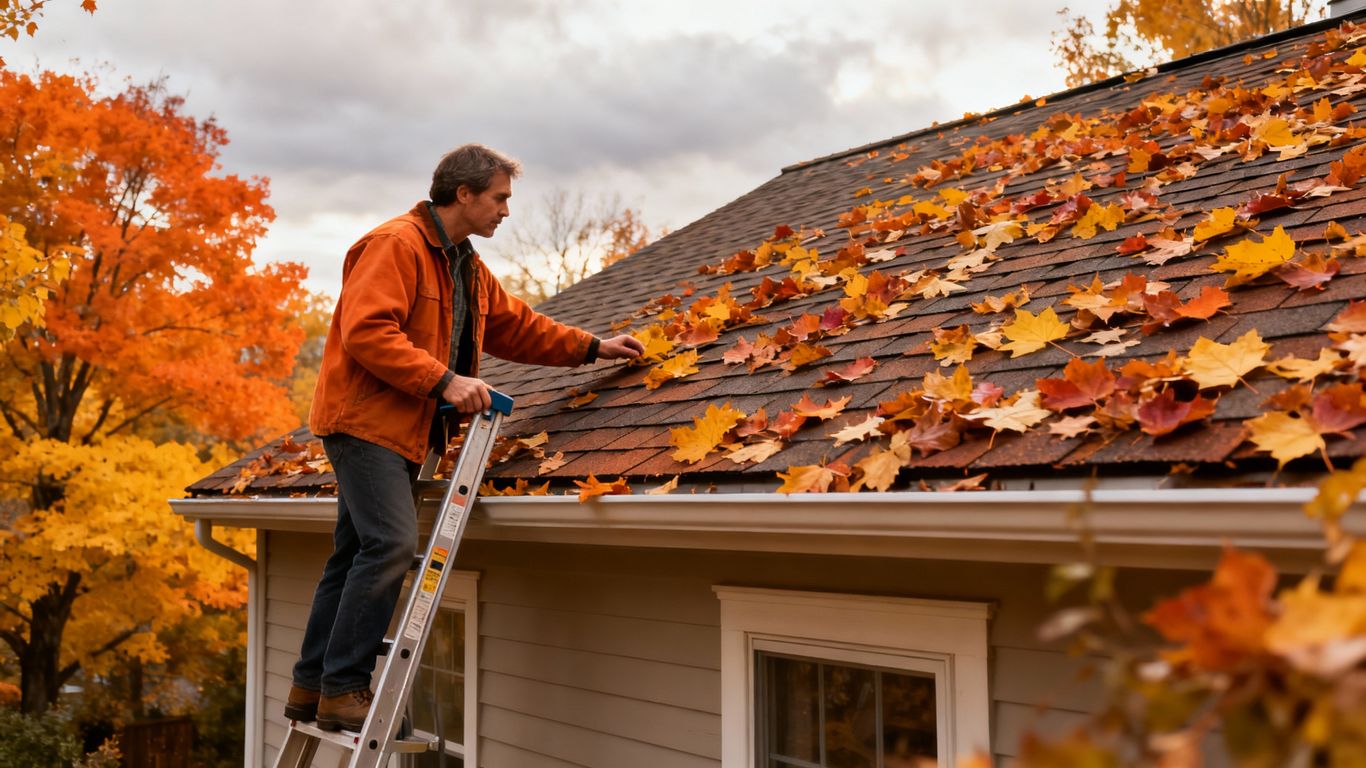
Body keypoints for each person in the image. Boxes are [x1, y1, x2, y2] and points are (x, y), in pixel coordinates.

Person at [285, 144, 645, 731]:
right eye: (500, 198)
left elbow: (519, 328)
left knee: (354, 552)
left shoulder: (466, 267)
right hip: (365, 422)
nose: (506, 210)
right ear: (464, 194)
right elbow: (366, 332)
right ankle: (344, 689)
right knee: (392, 546)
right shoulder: (396, 246)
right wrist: (445, 381)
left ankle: (311, 686)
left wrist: (592, 347)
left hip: (402, 432)